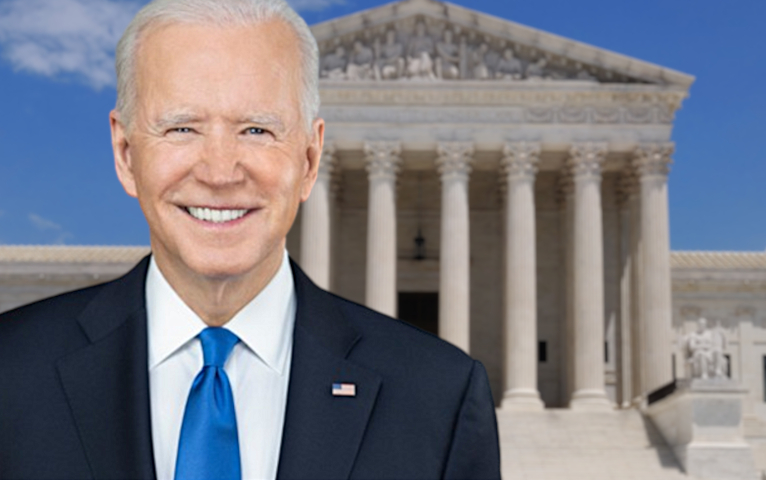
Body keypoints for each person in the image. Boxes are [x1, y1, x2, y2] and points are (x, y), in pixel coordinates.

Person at [0, 0, 501, 478]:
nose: (220, 172)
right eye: (181, 128)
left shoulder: (439, 399)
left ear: (308, 160)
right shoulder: (12, 373)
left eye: (257, 130)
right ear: (126, 153)